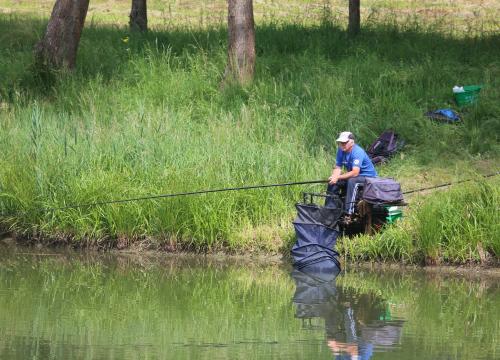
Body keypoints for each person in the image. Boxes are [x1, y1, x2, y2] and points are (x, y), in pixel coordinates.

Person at [327, 131, 377, 218]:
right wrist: (334, 177)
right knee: (332, 182)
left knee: (352, 180)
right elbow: (338, 167)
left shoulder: (358, 152)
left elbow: (355, 173)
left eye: (344, 143)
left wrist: (338, 177)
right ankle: (329, 209)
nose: (342, 145)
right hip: (356, 176)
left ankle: (348, 212)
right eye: (340, 143)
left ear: (352, 142)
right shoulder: (340, 150)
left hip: (369, 177)